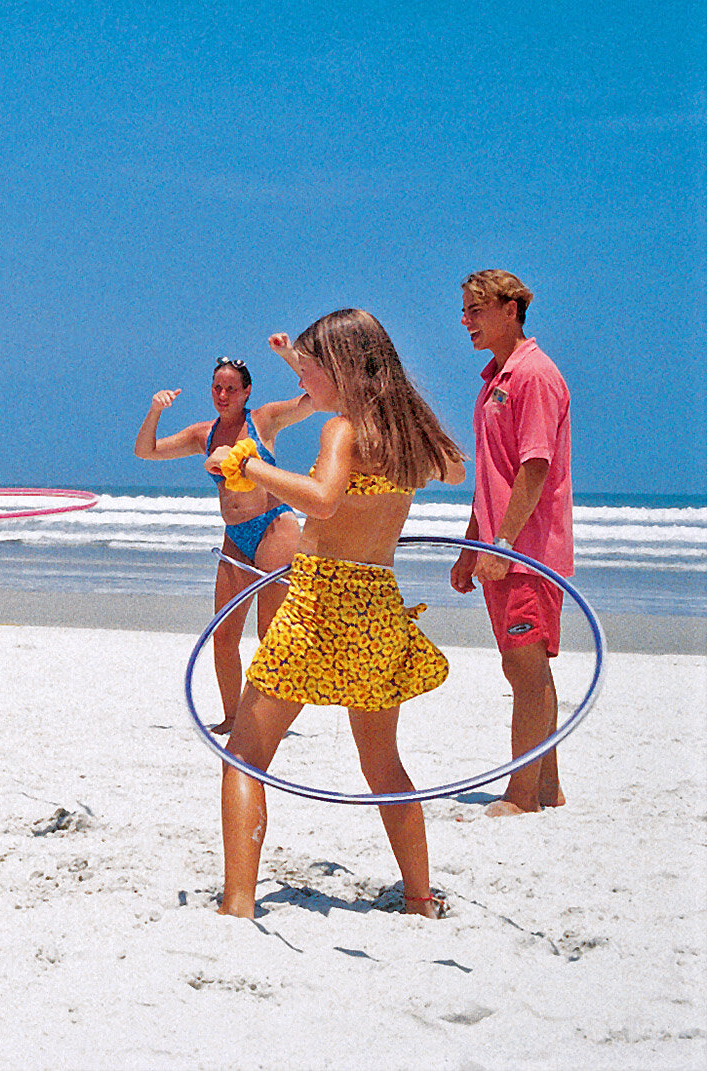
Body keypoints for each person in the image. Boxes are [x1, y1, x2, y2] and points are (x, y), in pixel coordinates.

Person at [207, 310, 465, 919]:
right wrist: (294, 358)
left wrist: (250, 466)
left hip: (320, 605)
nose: (304, 379)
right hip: (378, 611)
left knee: (244, 756)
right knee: (382, 763)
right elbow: (452, 469)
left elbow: (322, 502)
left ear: (343, 370)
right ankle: (421, 900)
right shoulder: (408, 433)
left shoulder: (343, 433)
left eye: (313, 366)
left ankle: (239, 904)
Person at [135, 351, 313, 732]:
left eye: (232, 388)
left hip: (274, 529)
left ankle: (271, 718)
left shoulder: (264, 420)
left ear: (246, 392)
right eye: (217, 387)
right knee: (225, 634)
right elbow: (145, 451)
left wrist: (288, 355)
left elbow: (314, 397)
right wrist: (155, 410)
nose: (223, 394)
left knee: (271, 634)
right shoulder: (205, 434)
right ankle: (233, 716)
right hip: (235, 536)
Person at [449, 270, 573, 817]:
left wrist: (501, 543)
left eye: (476, 309)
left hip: (528, 552)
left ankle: (522, 796)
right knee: (521, 666)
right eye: (465, 310)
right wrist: (471, 546)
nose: (466, 320)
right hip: (501, 550)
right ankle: (547, 787)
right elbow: (490, 476)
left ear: (510, 309)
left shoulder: (535, 374)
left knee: (526, 668)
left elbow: (535, 467)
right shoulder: (493, 379)